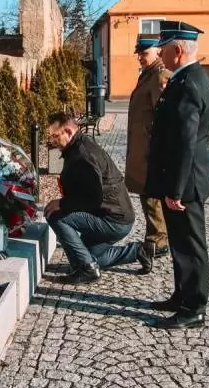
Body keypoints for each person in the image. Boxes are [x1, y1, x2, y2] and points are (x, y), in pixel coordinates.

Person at [143, 20, 209, 329]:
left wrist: (176, 189)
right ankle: (181, 295)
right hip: (181, 178)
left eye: (164, 48)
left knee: (191, 245)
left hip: (187, 182)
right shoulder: (185, 79)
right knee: (179, 243)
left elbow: (186, 142)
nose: (160, 53)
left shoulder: (189, 84)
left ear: (178, 50)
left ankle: (194, 307)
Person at [44, 111, 143, 284]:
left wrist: (62, 203)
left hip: (113, 219)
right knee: (89, 256)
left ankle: (87, 270)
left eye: (55, 135)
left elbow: (93, 198)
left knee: (56, 215)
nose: (53, 141)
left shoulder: (82, 155)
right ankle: (139, 251)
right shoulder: (79, 145)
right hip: (115, 214)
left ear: (68, 131)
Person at [126, 34, 173, 274]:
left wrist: (156, 149)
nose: (140, 57)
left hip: (149, 149)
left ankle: (158, 240)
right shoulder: (148, 74)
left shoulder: (160, 75)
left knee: (151, 193)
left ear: (157, 51)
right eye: (139, 53)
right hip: (142, 146)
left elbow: (163, 117)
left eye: (144, 53)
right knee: (146, 194)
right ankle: (154, 236)